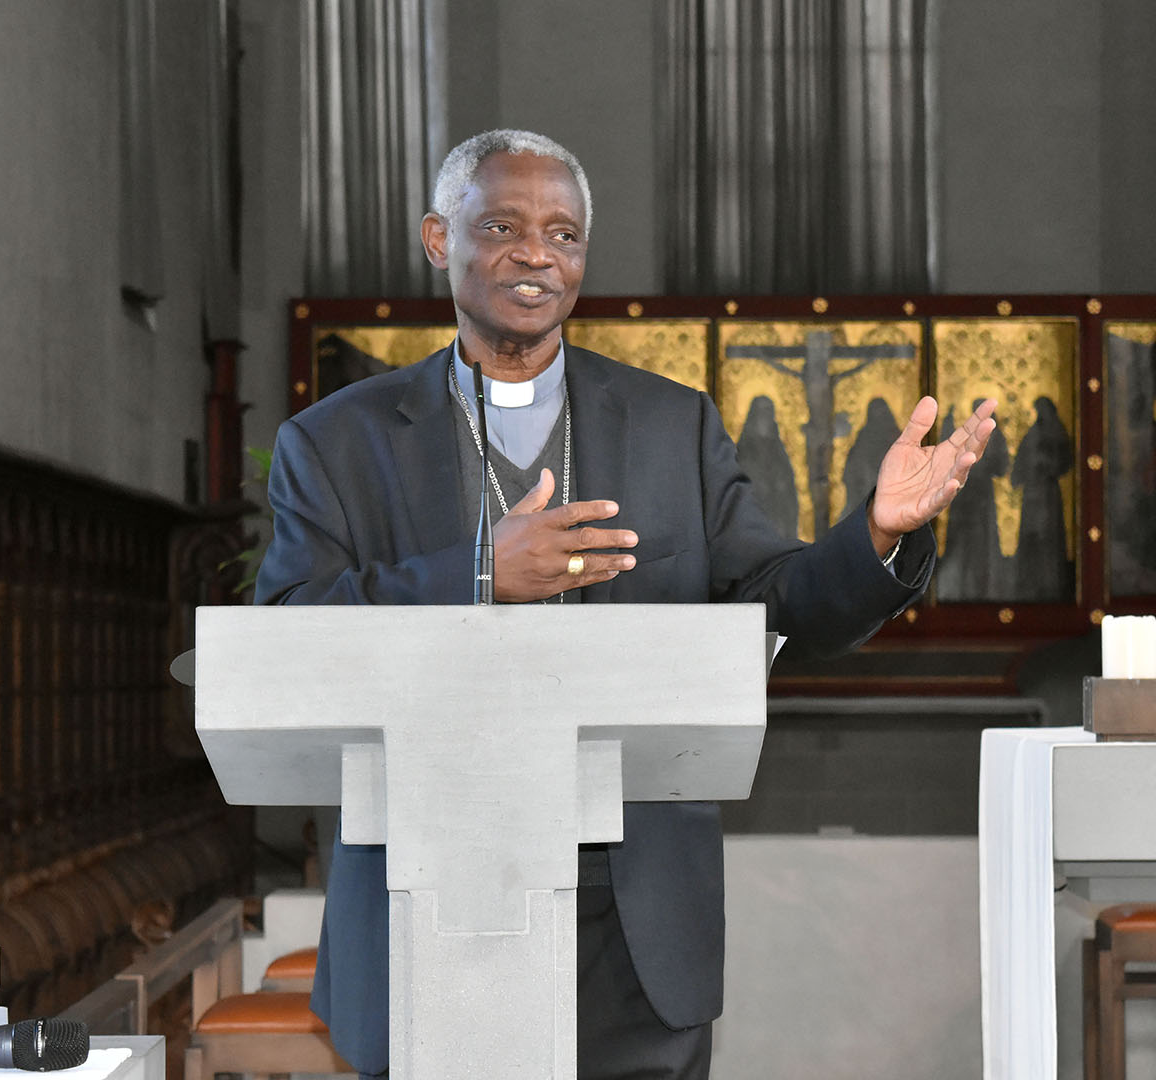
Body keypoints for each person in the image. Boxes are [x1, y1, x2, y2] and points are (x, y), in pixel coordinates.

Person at [255, 128, 997, 1080]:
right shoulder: (338, 442)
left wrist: (878, 534)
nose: (537, 253)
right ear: (440, 241)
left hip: (633, 900)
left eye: (563, 234)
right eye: (503, 226)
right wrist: (478, 574)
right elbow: (284, 635)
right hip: (427, 897)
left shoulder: (670, 423)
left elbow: (775, 607)